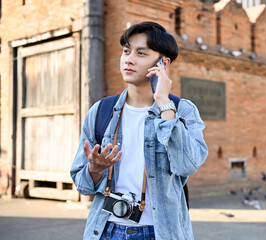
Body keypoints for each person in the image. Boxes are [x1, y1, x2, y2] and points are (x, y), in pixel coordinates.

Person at [70, 21, 208, 240]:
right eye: (126, 51)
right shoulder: (101, 111)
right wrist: (95, 170)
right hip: (106, 231)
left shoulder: (183, 110)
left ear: (163, 62)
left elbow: (188, 164)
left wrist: (164, 104)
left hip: (161, 232)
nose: (129, 59)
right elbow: (82, 185)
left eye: (141, 53)